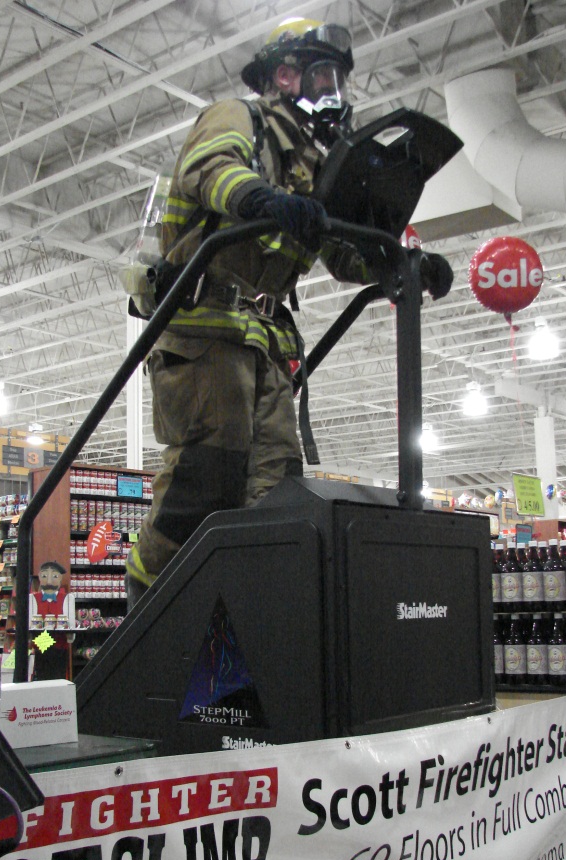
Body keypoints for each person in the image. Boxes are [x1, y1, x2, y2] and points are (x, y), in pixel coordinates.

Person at [125, 18, 454, 607]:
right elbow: (211, 169)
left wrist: (403, 267)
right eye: (322, 73)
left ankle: (245, 620)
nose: (334, 90)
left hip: (270, 343)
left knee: (277, 490)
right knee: (207, 481)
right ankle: (142, 612)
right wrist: (261, 198)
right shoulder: (239, 117)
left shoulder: (312, 165)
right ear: (284, 74)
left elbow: (339, 252)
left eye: (338, 79)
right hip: (205, 329)